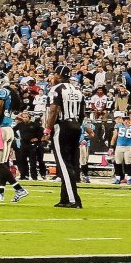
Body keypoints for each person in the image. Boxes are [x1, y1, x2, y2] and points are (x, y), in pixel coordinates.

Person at [44, 68, 86, 209]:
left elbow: (54, 110)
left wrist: (47, 130)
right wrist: (77, 126)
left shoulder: (56, 89)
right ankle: (65, 198)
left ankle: (73, 200)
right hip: (75, 126)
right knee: (71, 162)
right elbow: (82, 113)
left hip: (62, 127)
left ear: (58, 75)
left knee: (63, 163)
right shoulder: (77, 90)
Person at [0, 72, 30, 203]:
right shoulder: (10, 92)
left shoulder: (0, 92)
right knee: (3, 163)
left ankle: (19, 188)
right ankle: (0, 192)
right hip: (8, 128)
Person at [112, 112, 131, 185]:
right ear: (122, 120)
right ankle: (118, 178)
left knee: (128, 163)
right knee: (117, 163)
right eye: (124, 119)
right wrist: (111, 146)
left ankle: (129, 179)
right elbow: (114, 136)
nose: (126, 121)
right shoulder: (118, 126)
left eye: (127, 119)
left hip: (129, 147)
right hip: (119, 146)